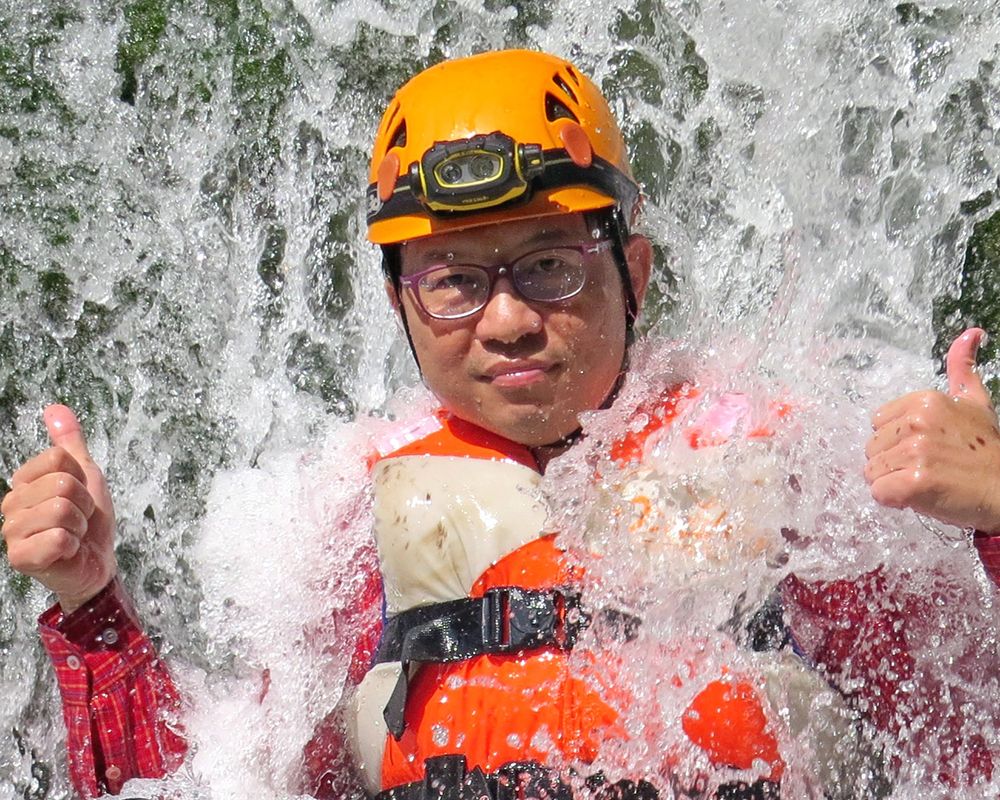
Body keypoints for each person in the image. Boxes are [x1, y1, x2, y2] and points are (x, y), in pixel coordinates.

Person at [2, 49, 998, 800]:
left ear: (634, 272)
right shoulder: (344, 528)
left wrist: (994, 522)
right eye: (455, 282)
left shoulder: (788, 468)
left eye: (549, 266)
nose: (510, 318)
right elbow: (201, 786)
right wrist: (93, 610)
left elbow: (969, 744)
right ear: (402, 307)